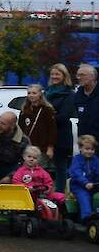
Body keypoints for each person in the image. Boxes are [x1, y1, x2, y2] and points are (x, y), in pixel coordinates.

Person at [45, 64, 78, 192]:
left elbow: (64, 115)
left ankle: (60, 195)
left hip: (61, 134)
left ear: (64, 76)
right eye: (52, 74)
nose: (54, 77)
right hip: (45, 134)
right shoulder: (46, 92)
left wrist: (46, 118)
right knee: (40, 165)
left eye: (57, 74)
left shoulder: (69, 94)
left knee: (60, 167)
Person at [19, 84, 57, 178]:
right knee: (26, 171)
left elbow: (52, 129)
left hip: (42, 146)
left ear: (40, 94)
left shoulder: (47, 109)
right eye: (29, 93)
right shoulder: (25, 109)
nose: (31, 95)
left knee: (40, 171)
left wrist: (50, 147)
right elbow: (20, 127)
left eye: (34, 93)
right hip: (28, 146)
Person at [68, 134, 99, 219]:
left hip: (93, 185)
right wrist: (85, 183)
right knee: (84, 197)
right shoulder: (77, 160)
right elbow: (76, 172)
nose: (89, 151)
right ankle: (87, 218)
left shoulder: (96, 160)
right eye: (87, 149)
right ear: (80, 148)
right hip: (79, 186)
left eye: (92, 149)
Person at [75, 64, 99, 140]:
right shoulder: (78, 94)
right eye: (78, 75)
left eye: (82, 75)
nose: (78, 78)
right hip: (84, 142)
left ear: (93, 76)